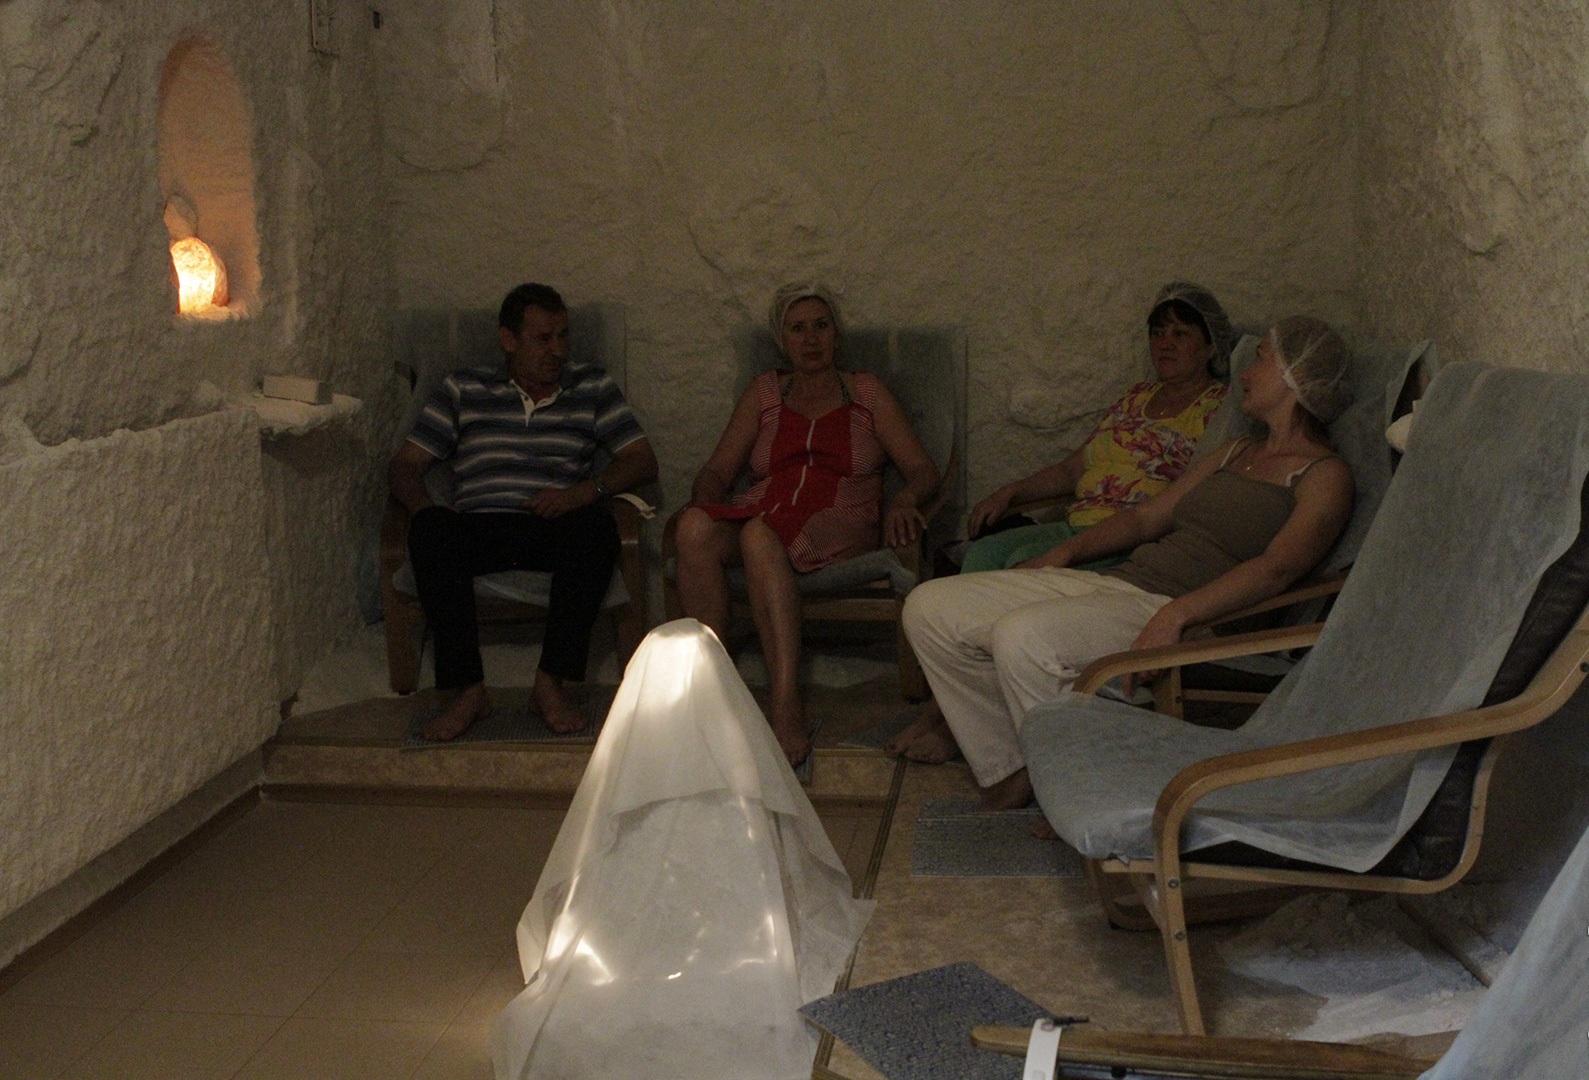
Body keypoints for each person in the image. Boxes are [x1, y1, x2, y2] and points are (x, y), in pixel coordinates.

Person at [903, 316, 1354, 810]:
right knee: (929, 607)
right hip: (1123, 583)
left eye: (1261, 358)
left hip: (1192, 614)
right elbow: (1144, 520)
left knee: (1023, 636)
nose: (1245, 373)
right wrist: (1062, 555)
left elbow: (1277, 568)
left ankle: (1068, 789)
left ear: (1295, 374)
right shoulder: (1235, 452)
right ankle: (1010, 762)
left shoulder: (1324, 476)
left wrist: (1178, 613)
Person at [888, 281, 1233, 762]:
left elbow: (1191, 500)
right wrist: (1013, 492)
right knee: (983, 554)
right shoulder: (1136, 399)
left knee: (1017, 565)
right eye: (1158, 333)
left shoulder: (1218, 410)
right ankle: (958, 710)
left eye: (1181, 334)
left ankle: (950, 723)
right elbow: (1076, 469)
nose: (1166, 344)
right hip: (1077, 521)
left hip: (1127, 538)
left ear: (1212, 346)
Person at [674, 282, 940, 768]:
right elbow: (717, 470)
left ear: (836, 334)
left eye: (821, 326)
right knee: (692, 528)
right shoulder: (765, 393)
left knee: (759, 536)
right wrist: (705, 500)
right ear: (782, 340)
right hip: (765, 507)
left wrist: (904, 497)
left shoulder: (866, 393)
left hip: (840, 515)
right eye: (798, 329)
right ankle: (711, 689)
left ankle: (785, 702)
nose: (811, 339)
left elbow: (922, 468)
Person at [389, 283, 659, 742]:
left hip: (554, 523)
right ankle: (468, 691)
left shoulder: (591, 387)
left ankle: (549, 684)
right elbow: (405, 466)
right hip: (479, 524)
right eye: (543, 339)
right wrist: (424, 510)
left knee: (598, 528)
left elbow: (642, 460)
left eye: (563, 336)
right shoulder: (463, 388)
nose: (558, 350)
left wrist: (582, 492)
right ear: (508, 340)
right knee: (430, 530)